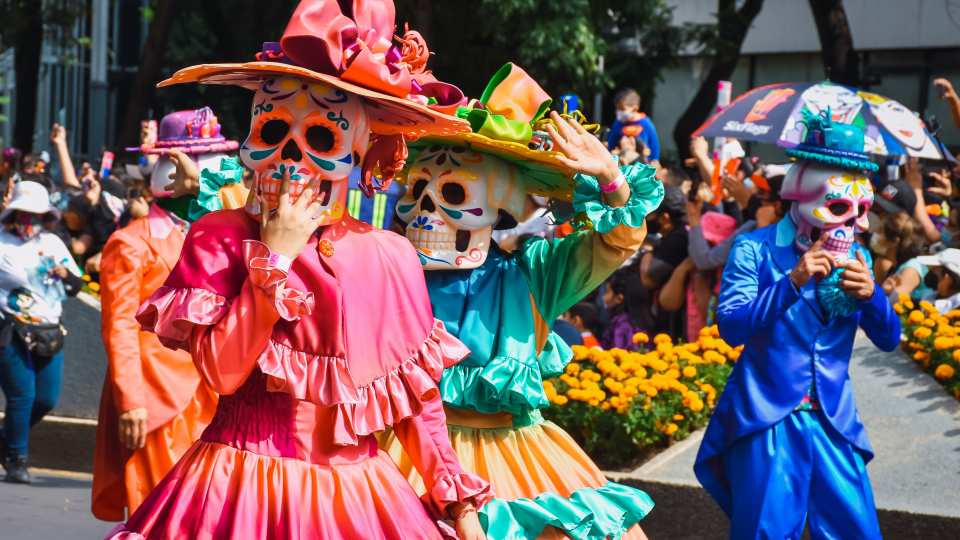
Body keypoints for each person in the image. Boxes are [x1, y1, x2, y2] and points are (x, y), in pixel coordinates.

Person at [108, 2, 489, 538]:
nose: (290, 157)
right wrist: (276, 258)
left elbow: (416, 404)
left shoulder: (389, 255)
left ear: (359, 149)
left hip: (357, 496)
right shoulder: (220, 235)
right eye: (272, 128)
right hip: (238, 489)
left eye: (322, 138)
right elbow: (223, 371)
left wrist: (459, 506)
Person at [388, 62, 660, 538]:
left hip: (515, 455)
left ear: (500, 206)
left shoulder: (535, 273)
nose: (425, 210)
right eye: (416, 191)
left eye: (452, 192)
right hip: (407, 451)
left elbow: (616, 242)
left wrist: (611, 177)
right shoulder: (388, 267)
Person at [694, 112, 900, 539]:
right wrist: (792, 282)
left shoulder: (858, 258)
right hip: (768, 419)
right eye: (841, 207)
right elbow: (731, 327)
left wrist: (873, 297)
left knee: (857, 531)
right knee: (766, 532)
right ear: (801, 194)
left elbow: (888, 338)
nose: (852, 223)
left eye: (861, 211)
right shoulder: (754, 248)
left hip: (833, 420)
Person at [92, 107, 245, 520]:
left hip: (209, 399)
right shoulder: (131, 242)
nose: (221, 169)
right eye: (206, 157)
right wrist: (131, 401)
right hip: (156, 400)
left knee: (205, 517)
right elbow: (119, 325)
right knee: (157, 516)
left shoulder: (214, 233)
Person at [0, 181, 84, 483]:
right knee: (22, 395)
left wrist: (66, 274)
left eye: (35, 215)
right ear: (12, 214)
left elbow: (76, 285)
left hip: (50, 330)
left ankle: (7, 438)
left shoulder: (52, 243)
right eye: (23, 214)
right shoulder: (2, 242)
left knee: (46, 398)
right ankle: (16, 460)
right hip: (10, 330)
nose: (29, 221)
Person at [607, 88, 660, 165]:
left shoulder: (646, 125)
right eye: (617, 109)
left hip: (642, 166)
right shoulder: (617, 124)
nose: (619, 112)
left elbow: (654, 150)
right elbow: (611, 145)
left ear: (635, 108)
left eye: (622, 109)